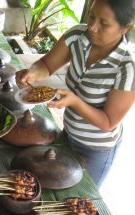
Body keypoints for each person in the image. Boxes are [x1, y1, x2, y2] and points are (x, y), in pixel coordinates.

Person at [15, 0, 135, 187]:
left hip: (96, 150)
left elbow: (108, 122)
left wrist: (75, 102)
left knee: (80, 200)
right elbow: (46, 65)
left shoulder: (127, 68)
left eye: (104, 24)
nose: (93, 27)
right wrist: (32, 72)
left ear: (125, 28)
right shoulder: (77, 36)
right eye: (92, 17)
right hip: (68, 134)